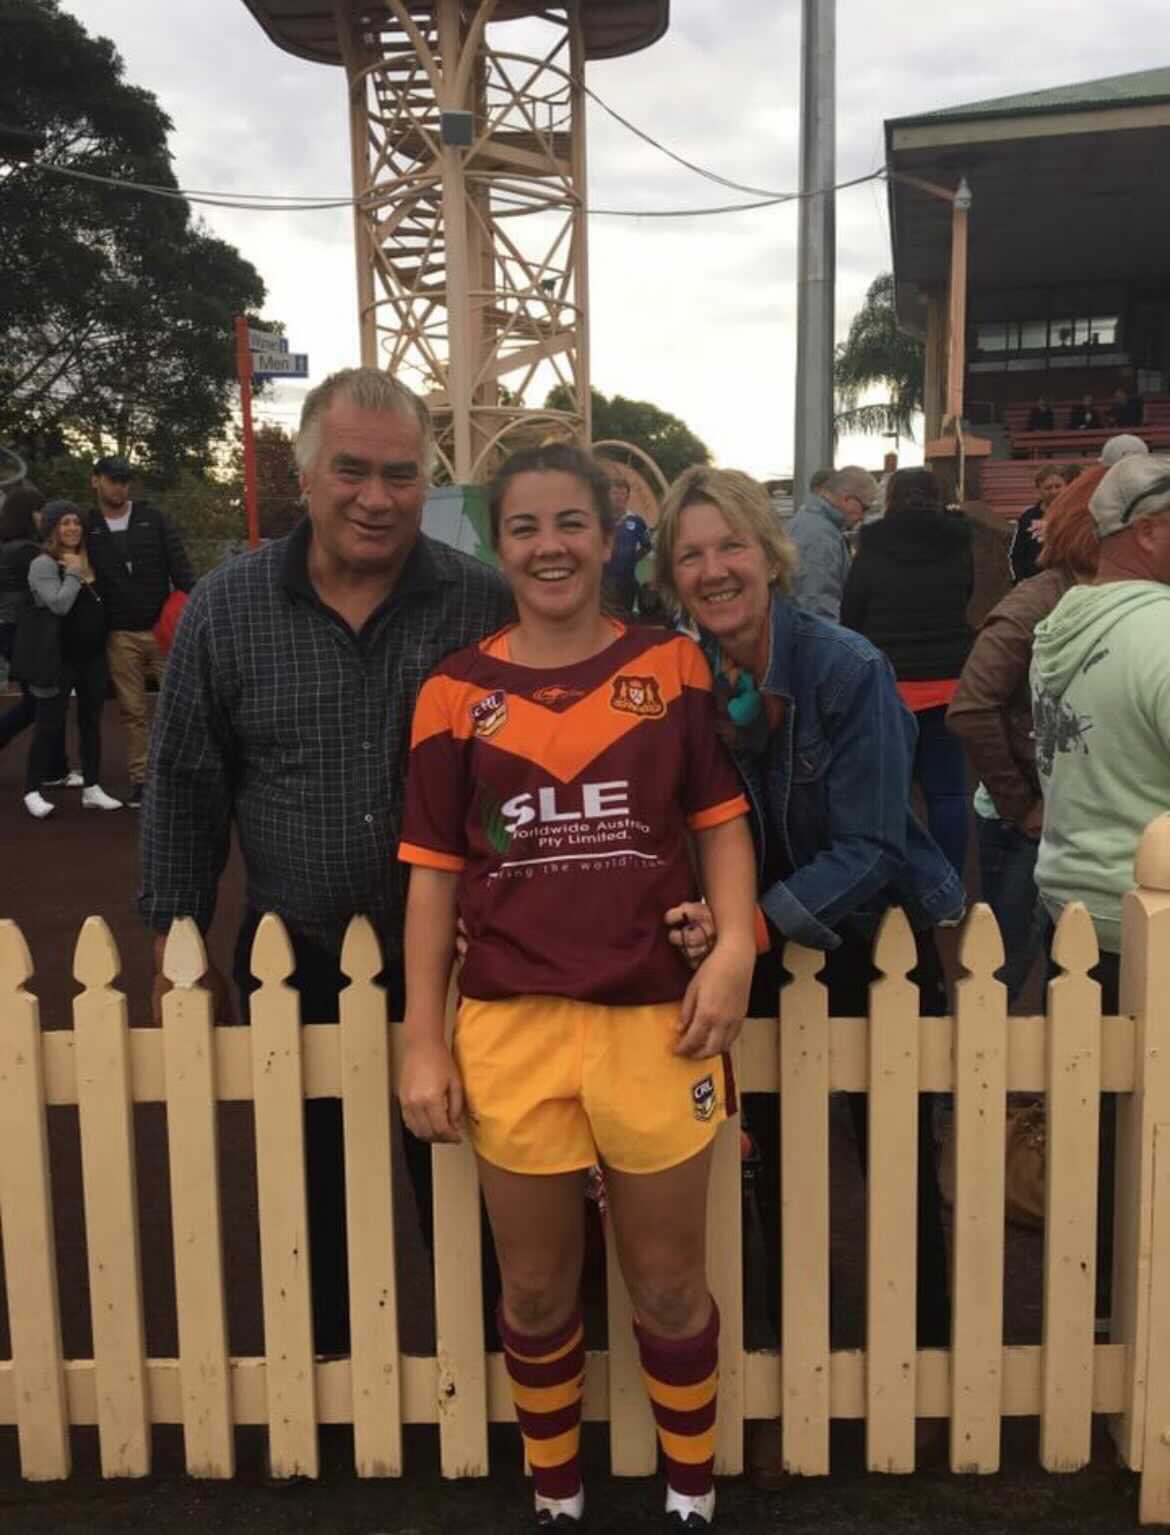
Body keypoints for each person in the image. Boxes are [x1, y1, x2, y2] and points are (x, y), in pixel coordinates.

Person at [398, 442, 757, 1534]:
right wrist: (422, 1035)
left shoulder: (675, 669)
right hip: (509, 1028)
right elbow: (432, 872)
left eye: (570, 524)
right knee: (541, 1291)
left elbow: (719, 824)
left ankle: (690, 1494)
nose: (549, 546)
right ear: (496, 543)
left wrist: (736, 942)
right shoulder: (456, 691)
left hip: (657, 1025)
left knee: (665, 1283)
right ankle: (559, 1496)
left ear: (610, 538)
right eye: (524, 527)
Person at [140, 366, 513, 1355]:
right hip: (291, 948)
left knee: (475, 1177)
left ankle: (485, 1374)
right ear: (305, 475)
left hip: (462, 958)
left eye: (399, 474)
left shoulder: (479, 603)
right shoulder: (227, 608)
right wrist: (184, 939)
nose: (376, 498)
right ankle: (332, 1375)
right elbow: (185, 780)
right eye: (350, 469)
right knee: (312, 1182)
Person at [652, 466, 965, 1486]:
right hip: (764, 953)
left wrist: (749, 922)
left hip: (871, 943)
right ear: (669, 573)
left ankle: (918, 1376)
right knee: (773, 1163)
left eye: (729, 546)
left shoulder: (843, 665)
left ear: (770, 553)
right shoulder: (685, 675)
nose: (713, 569)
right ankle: (792, 1367)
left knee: (898, 1172)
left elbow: (875, 840)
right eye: (691, 554)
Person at [1031, 453, 1170, 1324]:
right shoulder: (1159, 634)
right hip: (1151, 927)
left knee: (1103, 1150)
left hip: (1074, 914)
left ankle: (1100, 1327)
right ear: (1153, 533)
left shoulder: (1066, 625)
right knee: (1146, 1159)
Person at [947, 468, 1104, 1001]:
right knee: (1005, 967)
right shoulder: (1037, 601)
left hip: (1064, 819)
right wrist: (1023, 805)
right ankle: (971, 1081)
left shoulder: (1094, 598)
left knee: (1069, 965)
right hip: (1022, 825)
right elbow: (971, 707)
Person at [841, 468, 973, 877]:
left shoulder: (872, 545)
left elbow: (852, 612)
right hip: (949, 682)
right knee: (949, 793)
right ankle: (949, 886)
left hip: (889, 687)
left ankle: (898, 886)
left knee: (890, 796)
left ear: (892, 497)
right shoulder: (959, 542)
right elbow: (965, 596)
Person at [87, 454, 194, 807]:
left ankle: (182, 774)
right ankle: (142, 780)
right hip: (119, 634)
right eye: (113, 479)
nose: (119, 486)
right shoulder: (88, 527)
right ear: (96, 481)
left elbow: (181, 568)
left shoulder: (153, 518)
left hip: (161, 630)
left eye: (124, 479)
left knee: (180, 704)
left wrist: (192, 608)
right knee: (133, 712)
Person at [16, 502, 122, 819]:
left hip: (91, 658)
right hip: (58, 658)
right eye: (64, 523)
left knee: (91, 724)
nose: (72, 528)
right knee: (49, 724)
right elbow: (59, 605)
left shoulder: (91, 560)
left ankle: (92, 787)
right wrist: (75, 572)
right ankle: (32, 790)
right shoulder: (44, 564)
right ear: (52, 529)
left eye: (76, 522)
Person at [787, 465, 879, 620]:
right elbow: (817, 611)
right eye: (865, 508)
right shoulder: (821, 538)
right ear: (847, 500)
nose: (863, 517)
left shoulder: (803, 523)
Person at [601, 474, 653, 615]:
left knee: (624, 619)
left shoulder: (636, 521)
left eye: (622, 493)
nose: (618, 497)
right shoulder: (601, 520)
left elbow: (647, 545)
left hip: (627, 580)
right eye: (615, 493)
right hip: (603, 578)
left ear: (627, 497)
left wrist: (632, 558)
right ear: (608, 495)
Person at [1009, 465, 1066, 584]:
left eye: (1058, 486)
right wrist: (1019, 580)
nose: (1054, 491)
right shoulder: (1027, 518)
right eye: (1048, 488)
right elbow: (1015, 555)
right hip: (1035, 585)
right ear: (1039, 490)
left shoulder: (1074, 515)